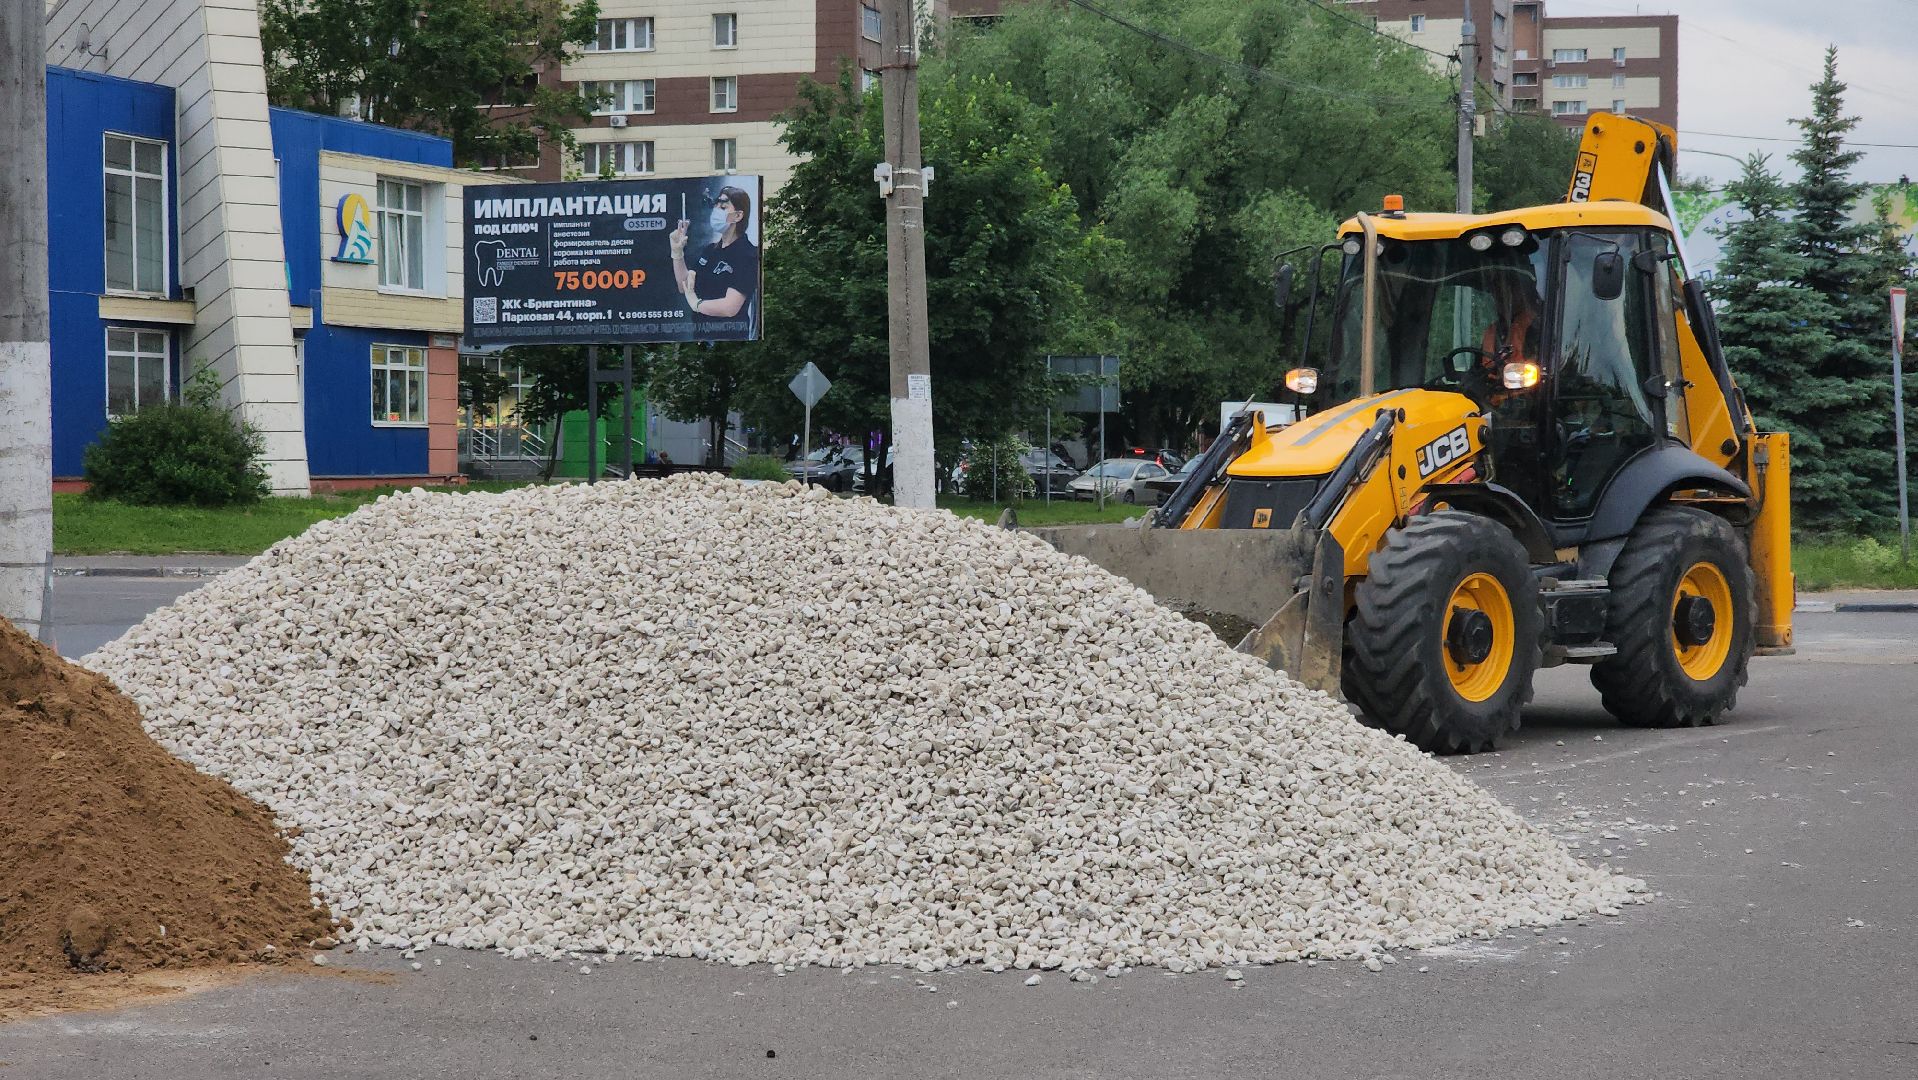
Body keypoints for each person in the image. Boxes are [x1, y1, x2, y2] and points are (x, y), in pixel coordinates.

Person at [670, 186, 760, 321]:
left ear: (738, 215)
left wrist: (697, 304)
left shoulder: (748, 254)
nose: (716, 212)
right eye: (716, 206)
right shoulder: (710, 250)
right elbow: (685, 286)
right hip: (701, 334)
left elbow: (730, 308)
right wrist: (677, 253)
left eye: (723, 208)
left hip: (730, 337)